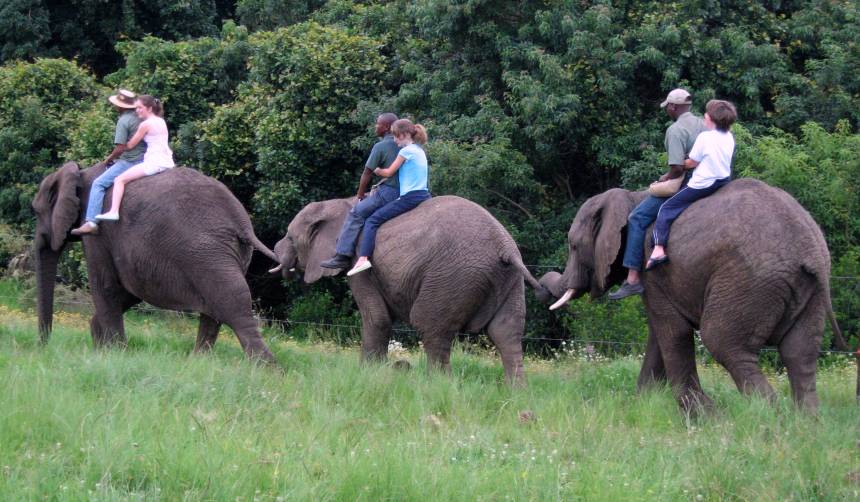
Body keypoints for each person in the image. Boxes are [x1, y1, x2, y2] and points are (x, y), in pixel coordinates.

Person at [607, 88, 706, 300]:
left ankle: (632, 278)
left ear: (672, 107)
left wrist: (665, 177)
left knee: (637, 217)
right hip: (710, 177)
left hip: (687, 182)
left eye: (667, 107)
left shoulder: (676, 130)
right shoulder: (704, 124)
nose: (667, 110)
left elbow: (678, 168)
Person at [646, 99, 737, 268]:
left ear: (711, 119)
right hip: (723, 180)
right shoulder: (729, 137)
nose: (704, 115)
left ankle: (658, 249)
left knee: (666, 208)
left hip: (703, 184)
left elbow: (692, 163)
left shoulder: (705, 137)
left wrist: (680, 163)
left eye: (707, 114)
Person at [346, 119, 431, 276]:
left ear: (404, 134)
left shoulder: (406, 151)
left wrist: (377, 170)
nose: (394, 140)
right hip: (424, 194)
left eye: (396, 136)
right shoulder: (419, 150)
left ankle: (363, 258)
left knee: (372, 220)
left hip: (410, 197)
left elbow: (389, 172)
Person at [320, 113, 402, 270]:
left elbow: (367, 174)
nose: (375, 127)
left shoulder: (381, 147)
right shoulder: (407, 144)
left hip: (390, 192)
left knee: (356, 213)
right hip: (411, 190)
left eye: (377, 124)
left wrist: (360, 195)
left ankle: (342, 256)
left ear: (386, 127)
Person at [70, 89, 146, 235]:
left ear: (122, 107)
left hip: (130, 162)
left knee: (98, 183)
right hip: (147, 159)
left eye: (117, 105)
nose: (115, 107)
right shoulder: (141, 116)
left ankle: (91, 222)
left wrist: (109, 159)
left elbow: (120, 148)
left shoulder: (124, 121)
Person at [94, 95, 175, 222]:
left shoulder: (145, 125)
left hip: (154, 162)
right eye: (136, 108)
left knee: (119, 180)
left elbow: (130, 145)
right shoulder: (161, 121)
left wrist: (119, 148)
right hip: (168, 161)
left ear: (149, 108)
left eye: (139, 108)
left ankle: (113, 211)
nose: (137, 111)